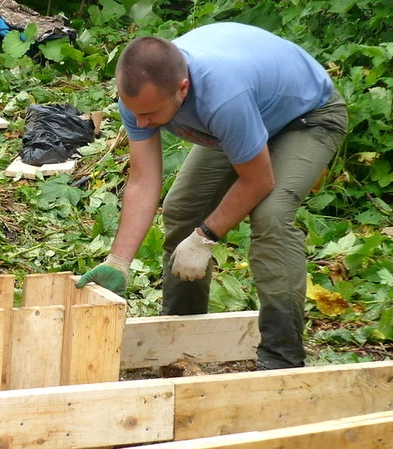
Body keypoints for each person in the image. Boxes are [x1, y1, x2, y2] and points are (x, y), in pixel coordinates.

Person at [76, 22, 348, 370]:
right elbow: (144, 181)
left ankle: (281, 360)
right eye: (135, 113)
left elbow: (258, 181)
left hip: (306, 117)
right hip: (244, 120)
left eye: (150, 114)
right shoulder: (140, 98)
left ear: (182, 89)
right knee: (182, 209)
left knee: (271, 218)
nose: (141, 123)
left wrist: (205, 237)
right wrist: (119, 261)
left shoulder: (223, 96)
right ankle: (181, 335)